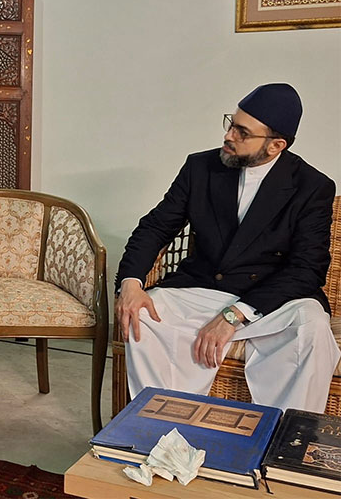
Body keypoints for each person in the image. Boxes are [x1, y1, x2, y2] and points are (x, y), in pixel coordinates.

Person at [115, 83, 338, 412]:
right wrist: (131, 282)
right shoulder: (200, 167)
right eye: (231, 123)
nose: (229, 136)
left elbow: (307, 269)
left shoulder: (312, 186)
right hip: (205, 288)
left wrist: (234, 316)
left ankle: (285, 435)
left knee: (312, 328)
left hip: (271, 300)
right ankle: (163, 423)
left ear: (276, 145)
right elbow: (155, 227)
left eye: (242, 132)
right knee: (144, 314)